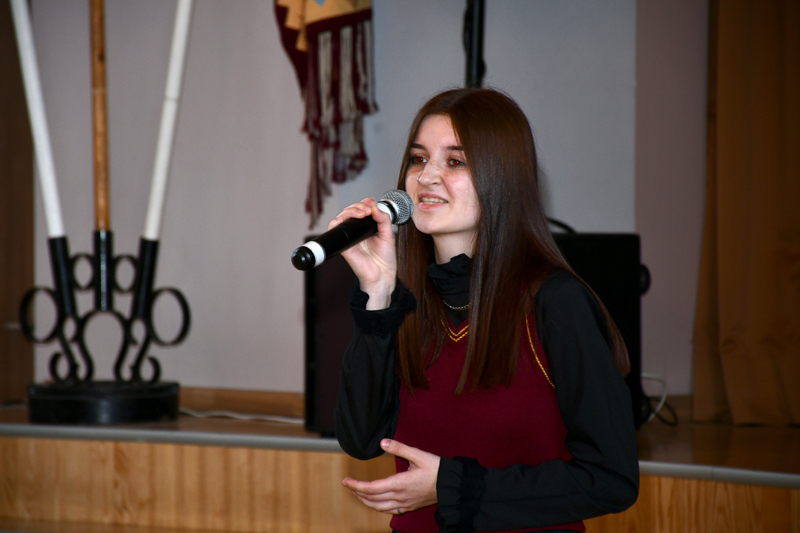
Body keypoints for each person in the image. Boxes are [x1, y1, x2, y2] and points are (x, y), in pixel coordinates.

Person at [330, 87, 639, 533]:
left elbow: (611, 480)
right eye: (418, 159)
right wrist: (376, 293)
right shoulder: (405, 302)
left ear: (503, 178)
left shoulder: (555, 301)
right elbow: (360, 439)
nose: (427, 176)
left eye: (455, 162)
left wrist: (454, 486)